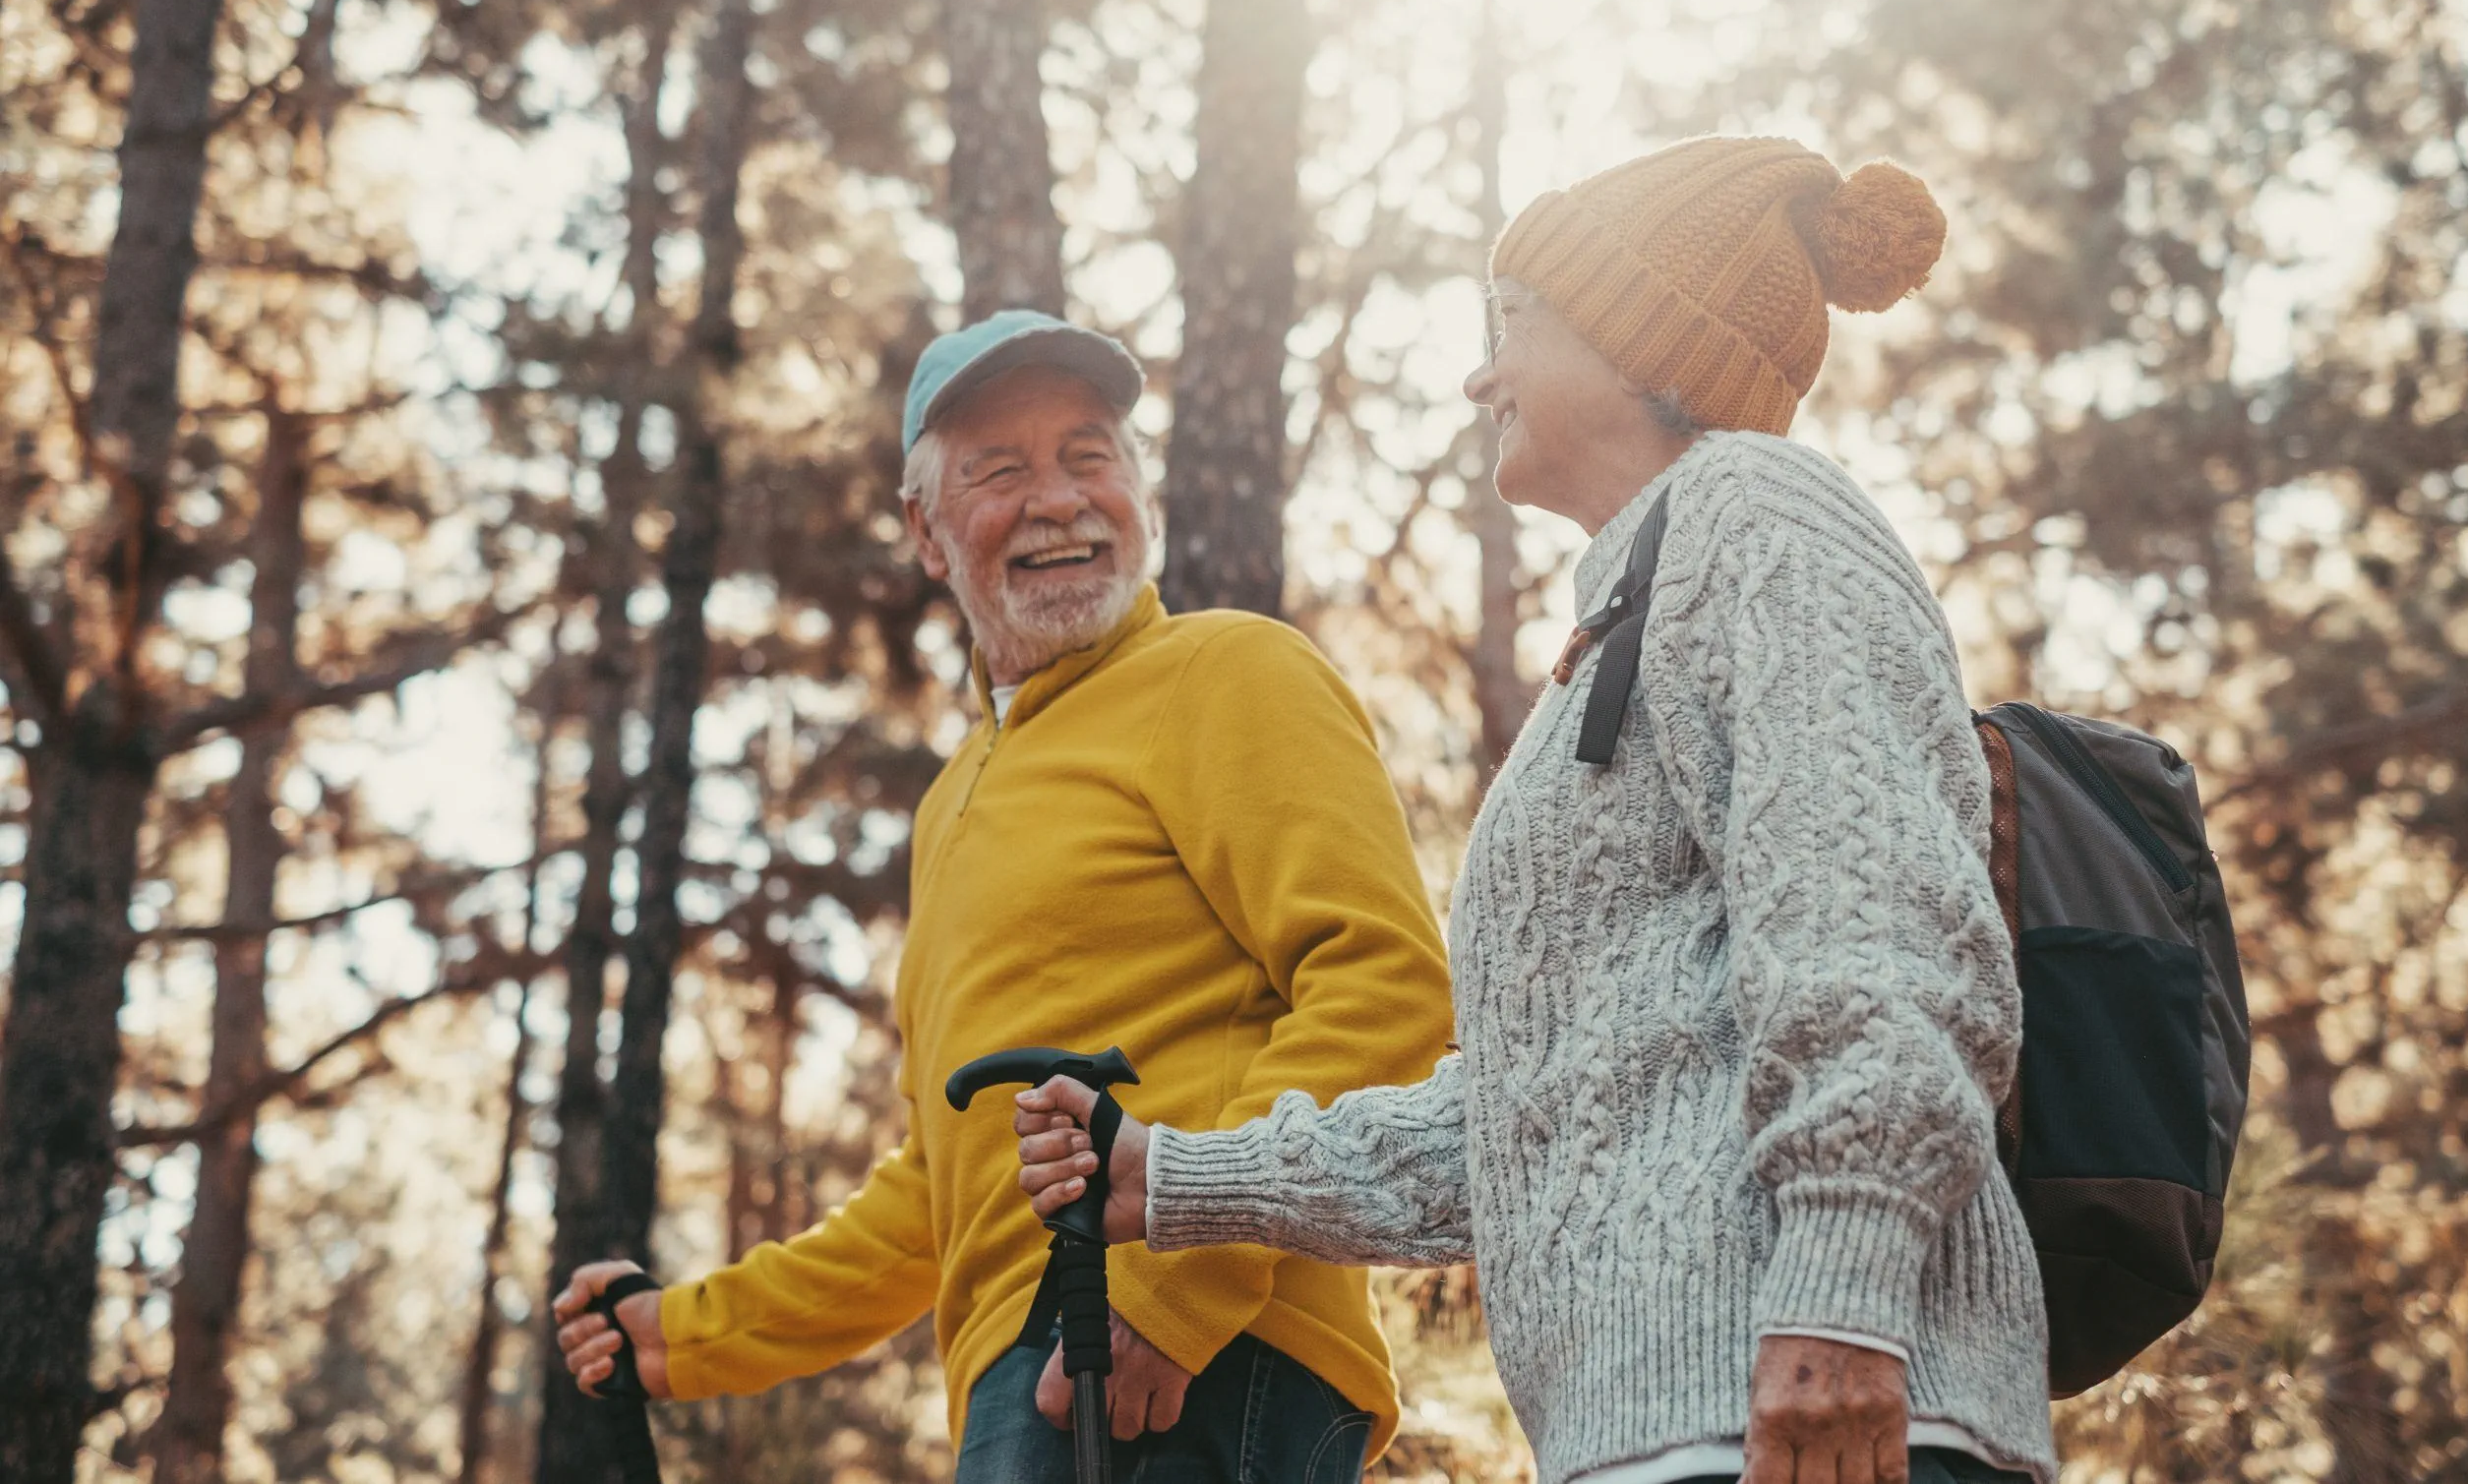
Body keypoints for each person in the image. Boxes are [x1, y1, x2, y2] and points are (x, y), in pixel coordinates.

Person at [1012, 139, 2057, 1484]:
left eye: (1516, 323)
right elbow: (1530, 1118)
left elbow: (1879, 922)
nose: (1480, 373)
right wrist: (1181, 1177)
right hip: (1664, 1431)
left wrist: (1843, 1295)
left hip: (1826, 1409)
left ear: (1637, 340)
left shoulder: (1762, 512)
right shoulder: (1618, 625)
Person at [550, 309, 1454, 1482]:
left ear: (1140, 488)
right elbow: (943, 1176)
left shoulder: (1226, 671)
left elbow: (1387, 988)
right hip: (1021, 1377)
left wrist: (1173, 1293)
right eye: (1001, 471)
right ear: (926, 532)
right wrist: (688, 1334)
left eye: (1091, 456)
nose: (1060, 499)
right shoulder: (953, 803)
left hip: (1203, 1354)